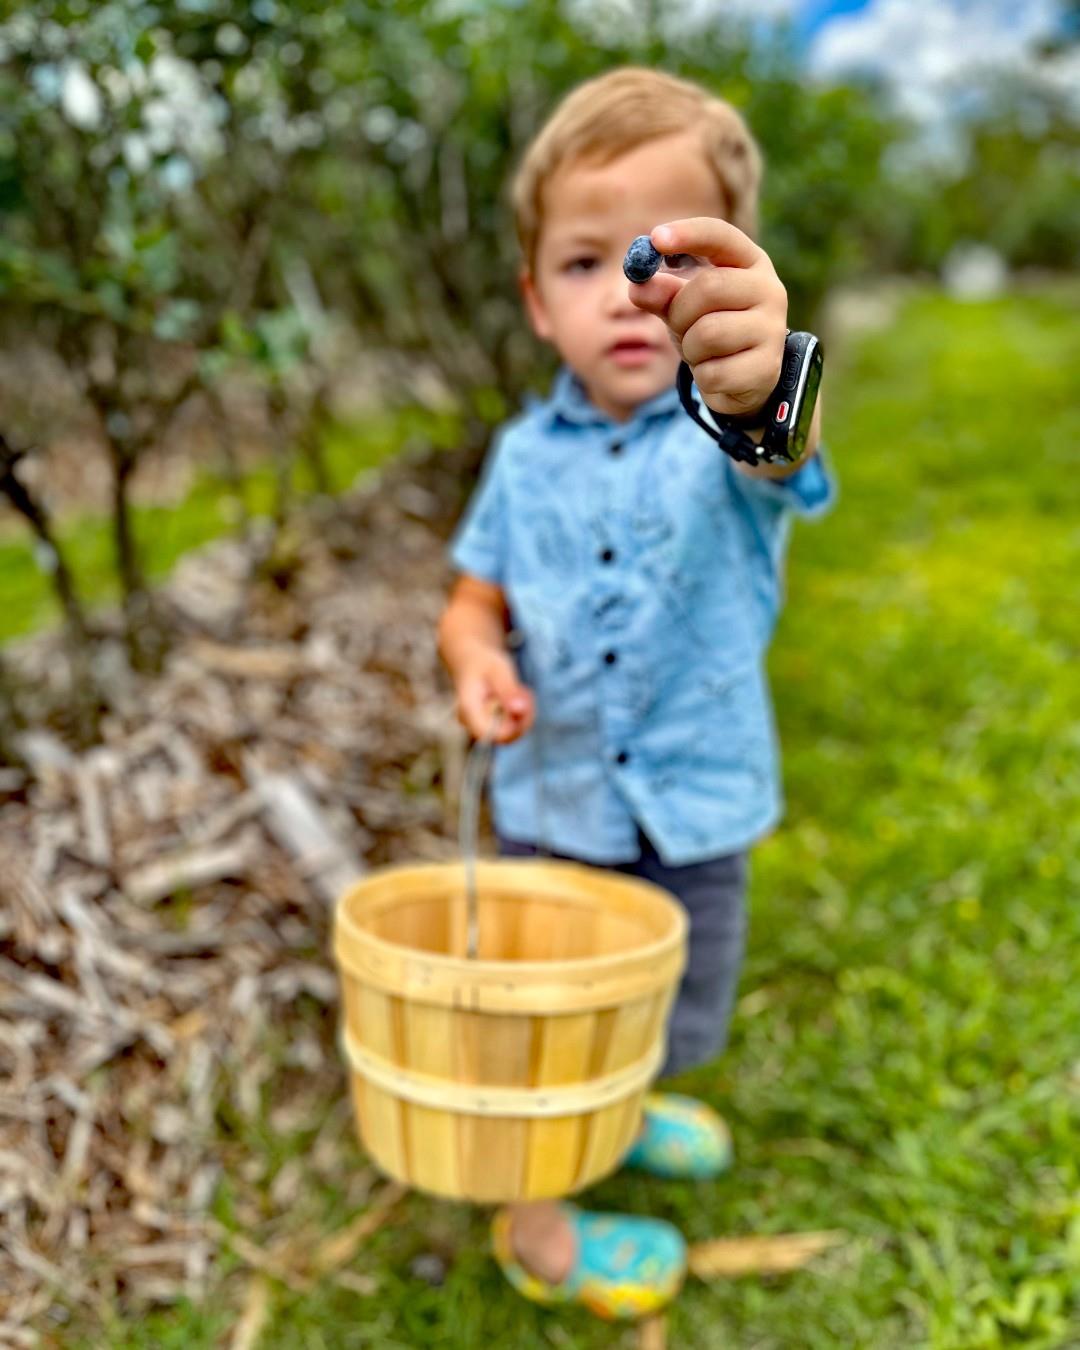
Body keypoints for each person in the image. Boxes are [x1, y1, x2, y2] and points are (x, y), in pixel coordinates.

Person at [437, 66, 835, 1321]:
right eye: (582, 261)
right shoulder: (519, 457)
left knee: (666, 1008)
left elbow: (780, 445)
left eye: (664, 261)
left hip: (693, 813)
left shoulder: (726, 441)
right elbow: (472, 598)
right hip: (553, 810)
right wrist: (478, 663)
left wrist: (760, 371)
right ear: (533, 303)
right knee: (549, 1029)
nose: (624, 293)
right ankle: (537, 1223)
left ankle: (630, 1100)